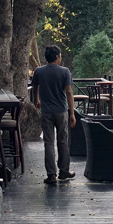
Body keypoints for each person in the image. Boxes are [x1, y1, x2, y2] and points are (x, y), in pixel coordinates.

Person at [30, 45, 77, 185]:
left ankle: (51, 175)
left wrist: (37, 100)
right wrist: (72, 113)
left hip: (46, 112)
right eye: (60, 56)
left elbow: (34, 87)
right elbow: (69, 92)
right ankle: (64, 171)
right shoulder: (65, 72)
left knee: (48, 143)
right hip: (61, 111)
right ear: (57, 57)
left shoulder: (39, 71)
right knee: (63, 141)